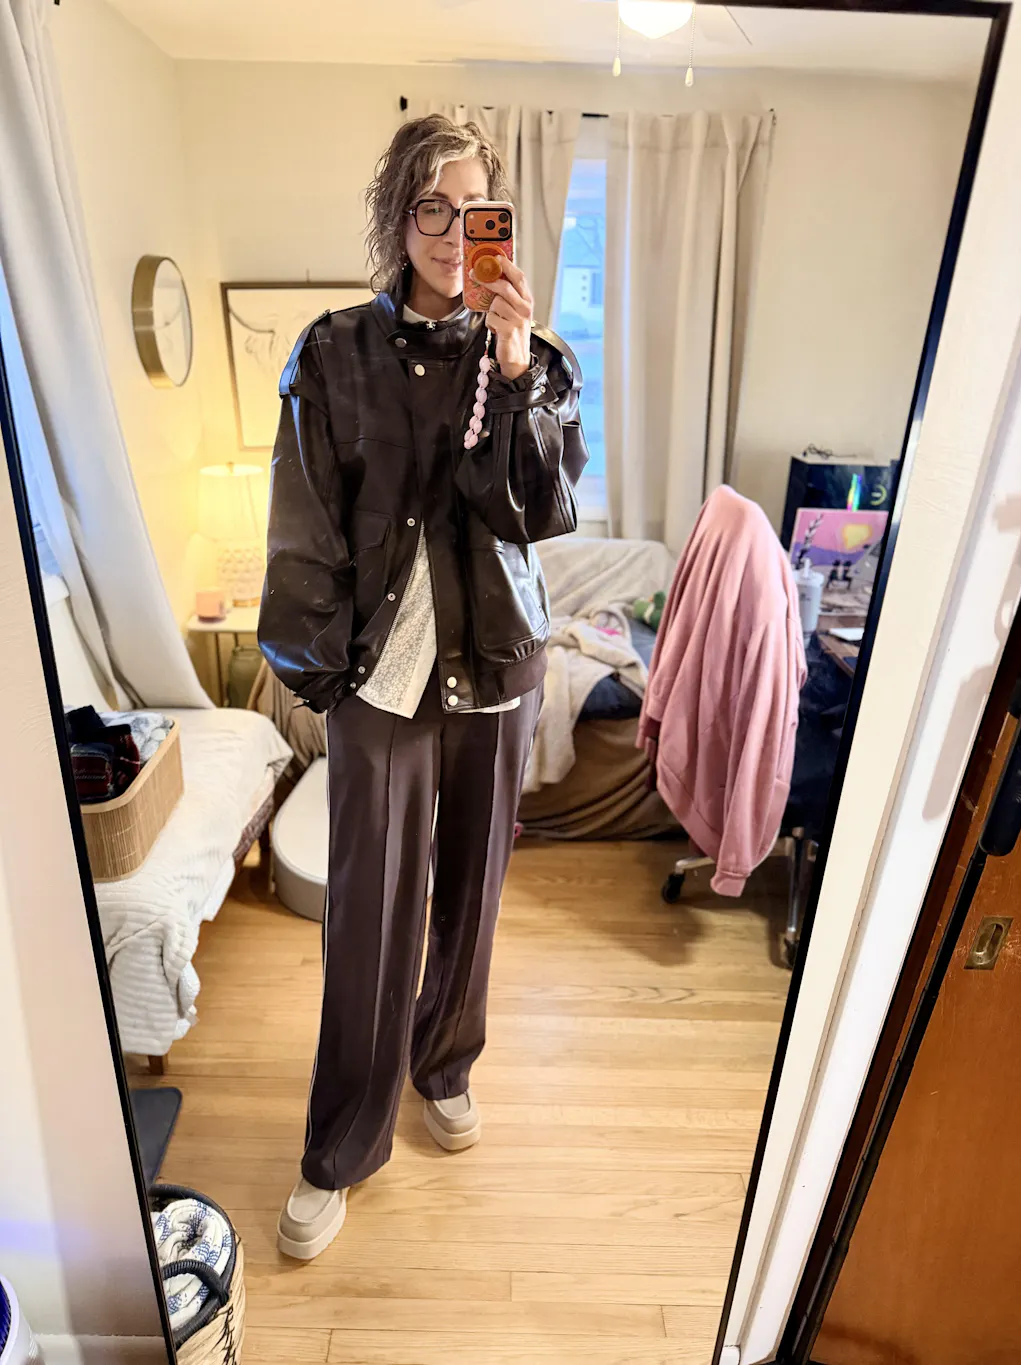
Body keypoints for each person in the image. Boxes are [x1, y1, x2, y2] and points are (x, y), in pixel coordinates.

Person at [259, 114, 588, 1260]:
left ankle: (443, 1063)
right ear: (398, 218)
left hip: (495, 667)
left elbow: (535, 511)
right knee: (369, 915)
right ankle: (342, 1142)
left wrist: (515, 368)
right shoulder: (332, 353)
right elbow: (303, 522)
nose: (453, 232)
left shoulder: (536, 362)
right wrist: (321, 675)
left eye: (474, 209)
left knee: (472, 897)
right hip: (381, 679)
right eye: (431, 207)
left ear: (500, 222)